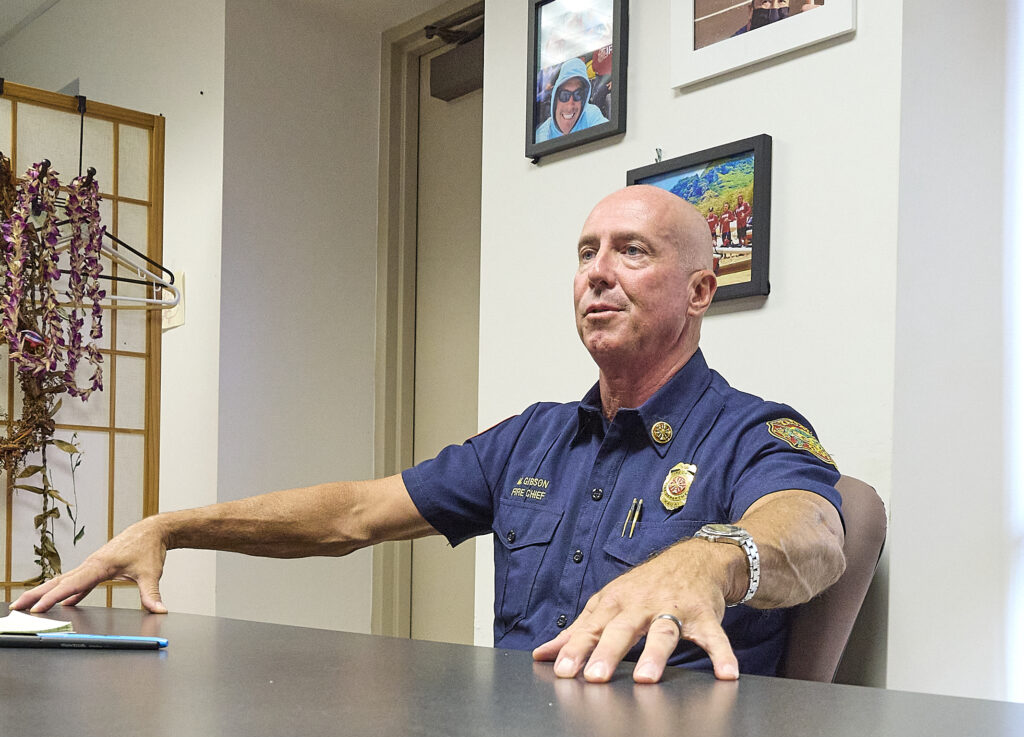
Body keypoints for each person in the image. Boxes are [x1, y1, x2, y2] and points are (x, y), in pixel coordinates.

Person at [12, 186, 845, 684]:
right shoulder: (531, 440)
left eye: (632, 252)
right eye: (586, 252)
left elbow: (815, 532)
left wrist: (709, 559)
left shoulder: (752, 430)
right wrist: (171, 526)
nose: (596, 272)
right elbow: (352, 514)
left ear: (699, 290)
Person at [535, 57, 608, 142]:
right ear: (555, 98)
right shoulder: (542, 136)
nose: (570, 106)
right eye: (564, 95)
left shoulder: (591, 114)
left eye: (578, 94)